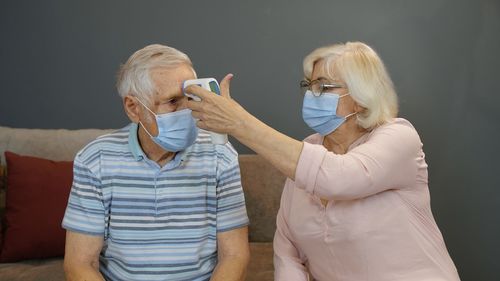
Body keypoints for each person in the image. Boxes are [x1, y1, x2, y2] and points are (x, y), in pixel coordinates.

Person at [185, 42, 460, 280]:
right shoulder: (309, 148)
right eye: (309, 85)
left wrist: (240, 123)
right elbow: (288, 248)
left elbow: (339, 178)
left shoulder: (400, 137)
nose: (310, 94)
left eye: (323, 87)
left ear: (362, 98)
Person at [62, 44, 250, 281]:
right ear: (133, 108)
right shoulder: (94, 160)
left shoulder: (220, 155)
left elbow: (234, 256)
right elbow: (80, 264)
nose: (187, 110)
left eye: (190, 98)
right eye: (172, 101)